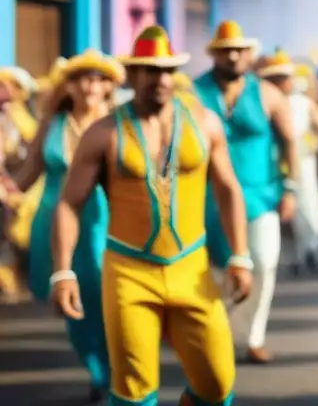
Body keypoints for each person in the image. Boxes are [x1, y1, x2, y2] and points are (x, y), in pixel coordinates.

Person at [50, 26, 253, 406]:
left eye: (165, 69)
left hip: (191, 268)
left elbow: (228, 189)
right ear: (131, 74)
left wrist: (241, 254)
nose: (158, 78)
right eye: (147, 69)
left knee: (217, 383)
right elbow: (69, 203)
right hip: (129, 273)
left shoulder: (204, 123)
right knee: (134, 391)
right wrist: (63, 271)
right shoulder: (103, 132)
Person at [11, 51, 123, 401]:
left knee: (109, 300)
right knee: (73, 306)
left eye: (98, 78)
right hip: (56, 222)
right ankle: (97, 370)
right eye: (81, 78)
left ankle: (114, 370)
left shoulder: (120, 122)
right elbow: (27, 176)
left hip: (106, 222)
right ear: (69, 85)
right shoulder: (52, 124)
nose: (90, 85)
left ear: (108, 86)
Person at [193, 20, 299, 365]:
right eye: (226, 51)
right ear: (215, 55)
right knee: (216, 271)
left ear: (248, 55)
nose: (233, 56)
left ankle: (250, 336)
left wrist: (291, 188)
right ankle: (219, 332)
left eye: (239, 50)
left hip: (260, 196)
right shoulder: (192, 93)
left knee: (265, 262)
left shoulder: (268, 94)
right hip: (206, 197)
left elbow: (290, 143)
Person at [257, 50, 318, 277]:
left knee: (307, 208)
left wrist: (315, 141)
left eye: (283, 77)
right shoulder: (264, 101)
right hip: (272, 166)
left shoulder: (302, 103)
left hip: (300, 164)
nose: (282, 82)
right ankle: (296, 255)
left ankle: (306, 252)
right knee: (285, 214)